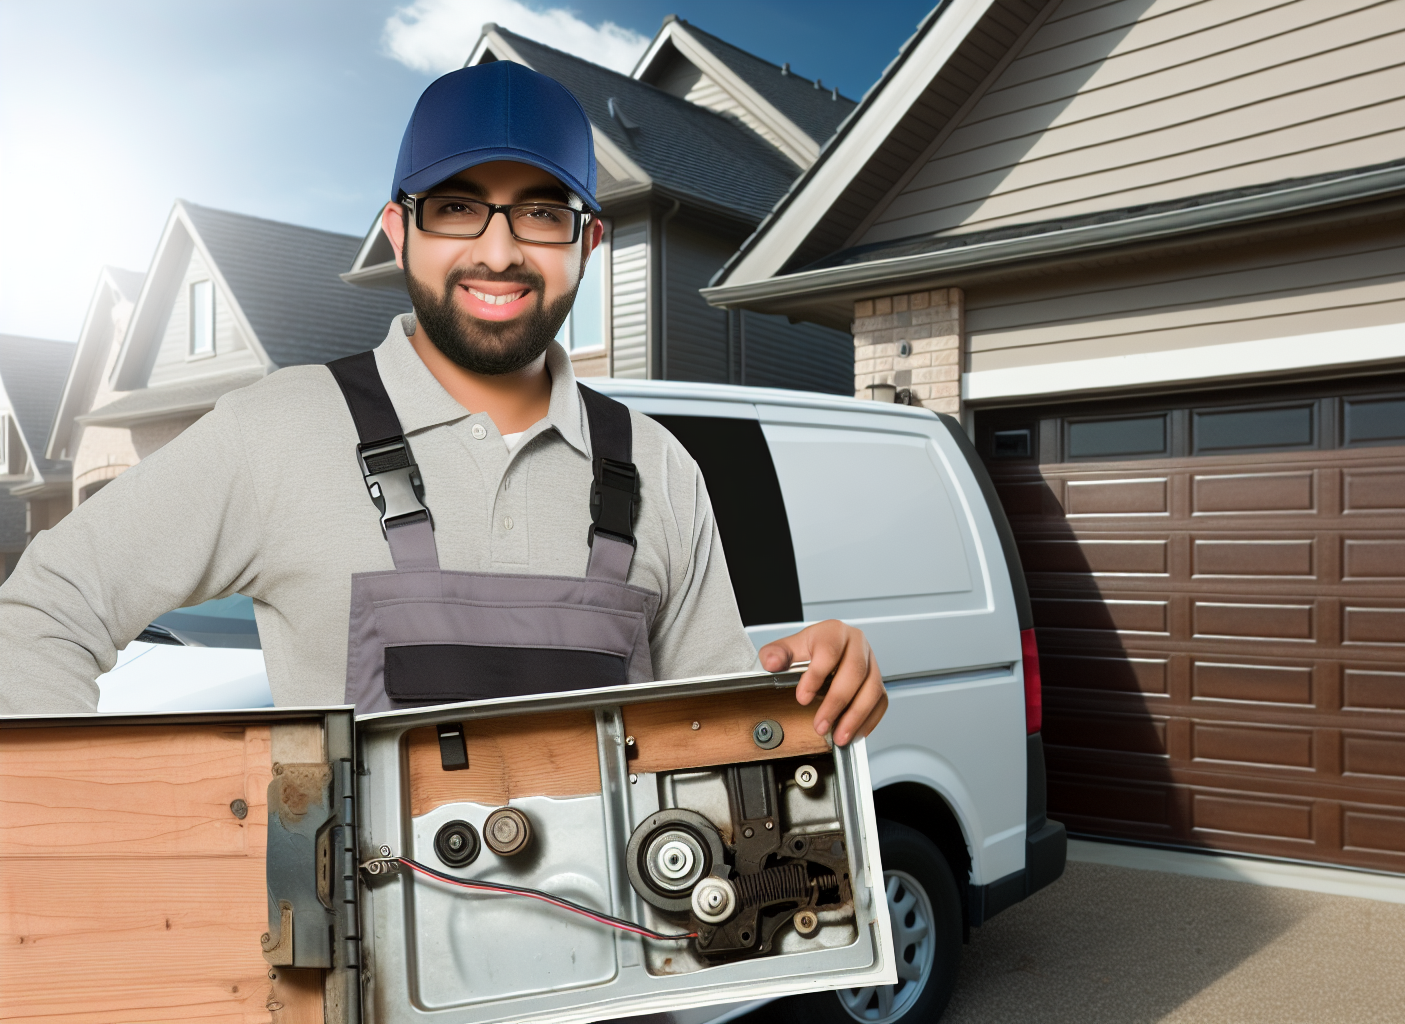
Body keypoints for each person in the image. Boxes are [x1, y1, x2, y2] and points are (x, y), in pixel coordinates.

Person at [0, 60, 886, 744]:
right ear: (399, 230)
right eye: (459, 207)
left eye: (542, 212)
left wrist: (805, 691)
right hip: (358, 986)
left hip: (612, 983)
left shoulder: (660, 469)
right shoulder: (279, 432)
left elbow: (715, 743)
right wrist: (117, 839)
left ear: (590, 241)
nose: (499, 252)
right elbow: (40, 610)